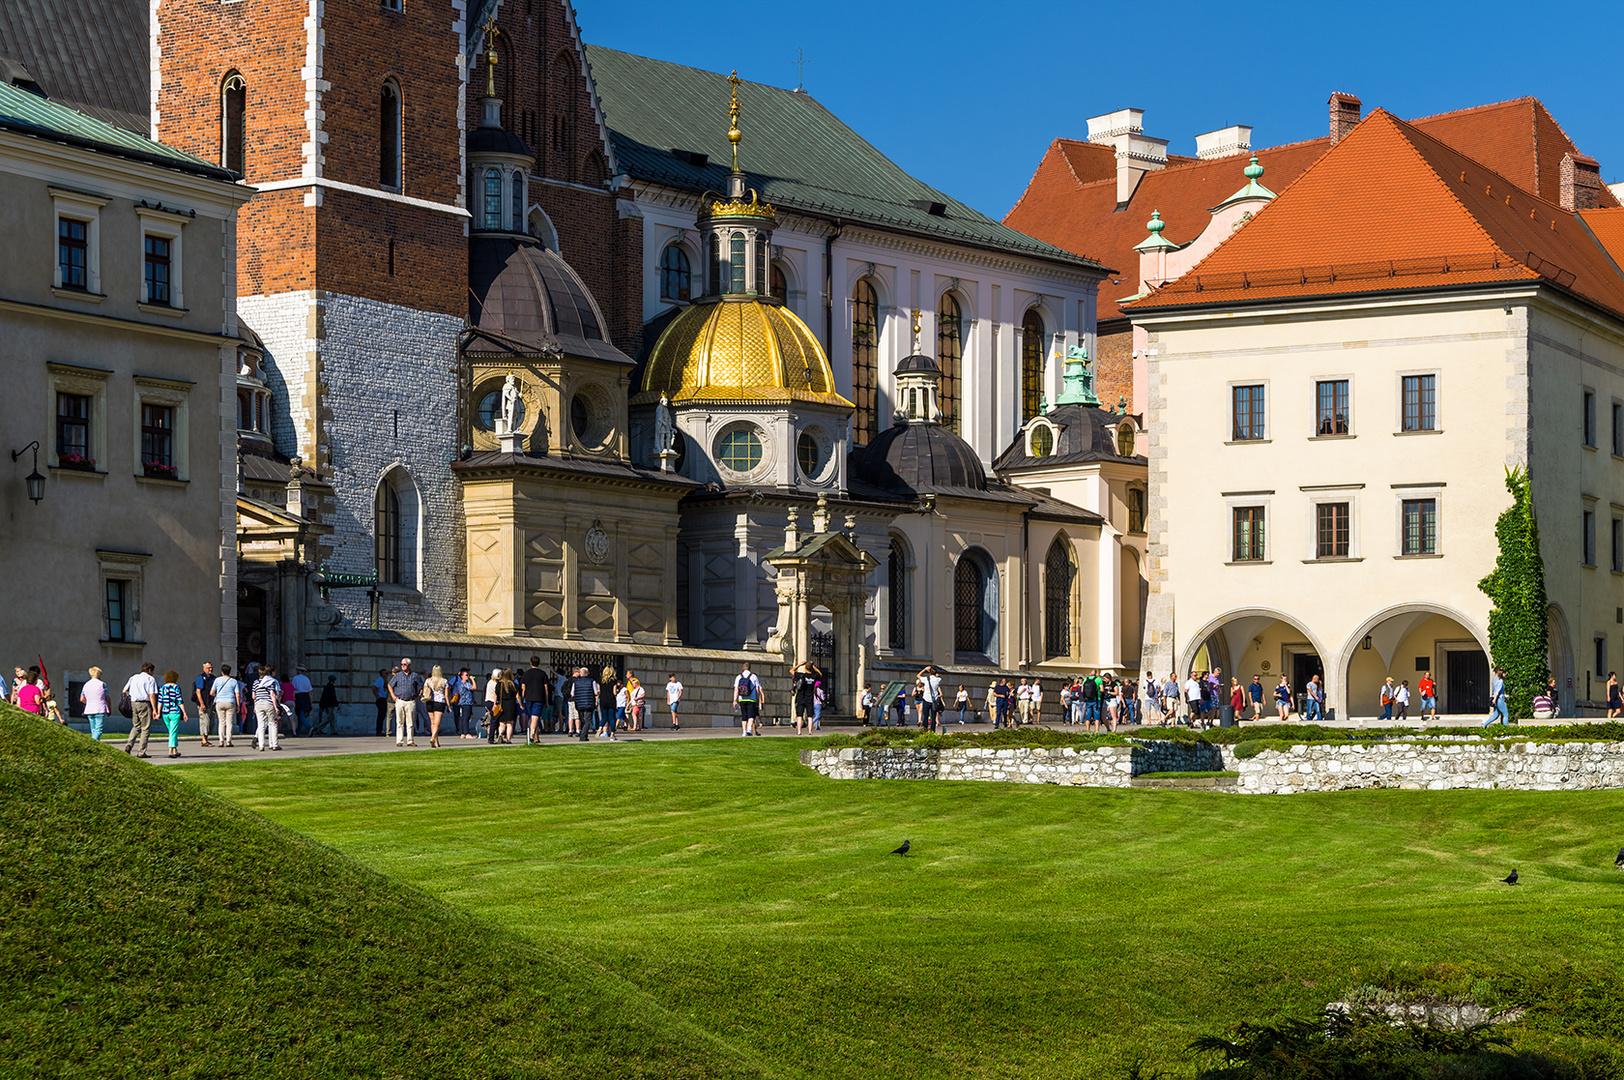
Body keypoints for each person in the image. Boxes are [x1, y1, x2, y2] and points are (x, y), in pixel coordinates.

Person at [122, 662, 159, 757]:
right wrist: (154, 709)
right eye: (152, 671)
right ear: (150, 670)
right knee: (145, 728)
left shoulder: (133, 677)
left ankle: (129, 745)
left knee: (136, 726)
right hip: (144, 703)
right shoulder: (150, 679)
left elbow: (124, 690)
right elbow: (152, 695)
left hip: (133, 703)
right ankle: (141, 751)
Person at [388, 658, 423, 747]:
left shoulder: (415, 675)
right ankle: (399, 740)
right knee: (399, 721)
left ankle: (410, 740)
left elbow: (422, 686)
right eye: (402, 664)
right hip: (400, 700)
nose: (403, 666)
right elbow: (390, 685)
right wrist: (393, 696)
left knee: (410, 722)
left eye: (405, 664)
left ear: (409, 665)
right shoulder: (398, 675)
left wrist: (418, 696)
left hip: (411, 701)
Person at [252, 663, 282, 751]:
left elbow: (253, 696)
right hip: (268, 703)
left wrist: (254, 706)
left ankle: (261, 746)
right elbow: (272, 694)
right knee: (273, 724)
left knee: (261, 725)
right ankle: (274, 744)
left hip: (258, 704)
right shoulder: (270, 682)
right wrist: (276, 707)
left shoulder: (255, 682)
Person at [520, 657, 551, 743]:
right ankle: (532, 737)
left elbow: (523, 688)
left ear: (530, 663)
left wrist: (522, 700)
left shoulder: (526, 674)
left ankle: (535, 737)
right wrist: (547, 701)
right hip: (539, 698)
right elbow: (546, 689)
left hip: (529, 698)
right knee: (535, 718)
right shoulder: (543, 674)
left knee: (533, 718)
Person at [157, 670, 187, 758]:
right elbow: (179, 700)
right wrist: (184, 712)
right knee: (173, 732)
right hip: (175, 711)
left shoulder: (162, 688)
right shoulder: (176, 687)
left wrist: (158, 712)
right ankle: (170, 751)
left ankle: (175, 750)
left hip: (165, 712)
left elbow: (160, 701)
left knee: (172, 731)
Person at [212, 665, 243, 748]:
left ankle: (221, 741)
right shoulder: (233, 681)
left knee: (221, 722)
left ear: (222, 671)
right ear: (230, 672)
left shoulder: (217, 680)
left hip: (220, 702)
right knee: (229, 723)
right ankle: (229, 741)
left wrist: (217, 696)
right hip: (230, 702)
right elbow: (237, 694)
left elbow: (212, 692)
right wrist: (238, 705)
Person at [733, 661, 764, 737]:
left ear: (743, 668)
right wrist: (757, 699)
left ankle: (744, 732)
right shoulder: (753, 676)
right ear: (750, 668)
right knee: (751, 716)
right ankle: (749, 729)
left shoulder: (739, 677)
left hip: (742, 698)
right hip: (751, 698)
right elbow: (757, 689)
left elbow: (736, 689)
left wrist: (735, 700)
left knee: (744, 716)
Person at [80, 666, 109, 742]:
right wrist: (109, 708)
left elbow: (82, 699)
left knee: (93, 730)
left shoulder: (86, 685)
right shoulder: (103, 684)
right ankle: (92, 743)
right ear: (99, 674)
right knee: (98, 730)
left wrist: (88, 703)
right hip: (100, 708)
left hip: (89, 709)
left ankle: (96, 745)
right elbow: (107, 698)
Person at [423, 665, 449, 747]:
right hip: (440, 702)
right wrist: (448, 705)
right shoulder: (444, 681)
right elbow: (446, 695)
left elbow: (424, 690)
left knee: (432, 723)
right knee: (437, 723)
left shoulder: (428, 680)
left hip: (430, 702)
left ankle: (436, 742)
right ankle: (432, 737)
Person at [570, 667, 597, 742]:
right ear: (588, 673)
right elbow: (596, 692)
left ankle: (584, 736)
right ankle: (583, 736)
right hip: (589, 703)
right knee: (588, 720)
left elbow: (572, 694)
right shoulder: (592, 681)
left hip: (579, 703)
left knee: (582, 720)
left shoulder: (576, 682)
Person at [193, 661, 216, 747]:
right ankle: (204, 740)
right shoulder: (201, 678)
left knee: (211, 723)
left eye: (211, 667)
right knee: (204, 721)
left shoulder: (213, 678)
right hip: (204, 703)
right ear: (204, 668)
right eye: (208, 668)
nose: (210, 669)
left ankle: (206, 739)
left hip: (211, 704)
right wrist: (202, 703)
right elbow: (198, 691)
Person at [791, 661, 817, 735]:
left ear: (805, 667)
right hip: (809, 698)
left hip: (800, 698)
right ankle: (810, 731)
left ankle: (799, 732)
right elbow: (820, 674)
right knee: (810, 717)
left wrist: (800, 664)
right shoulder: (814, 676)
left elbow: (791, 671)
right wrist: (813, 666)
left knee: (799, 716)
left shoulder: (801, 675)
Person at [496, 669, 520, 743]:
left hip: (502, 703)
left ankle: (500, 734)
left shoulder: (499, 684)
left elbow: (496, 694)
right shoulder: (513, 685)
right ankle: (508, 740)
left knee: (502, 723)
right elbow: (517, 696)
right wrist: (521, 704)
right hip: (511, 704)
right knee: (510, 724)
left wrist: (494, 704)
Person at [372, 668, 390, 737]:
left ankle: (381, 730)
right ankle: (379, 731)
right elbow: (374, 687)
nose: (387, 675)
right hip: (381, 699)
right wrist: (377, 696)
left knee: (383, 716)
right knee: (381, 715)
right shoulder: (380, 680)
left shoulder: (385, 680)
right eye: (386, 673)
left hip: (385, 699)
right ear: (382, 674)